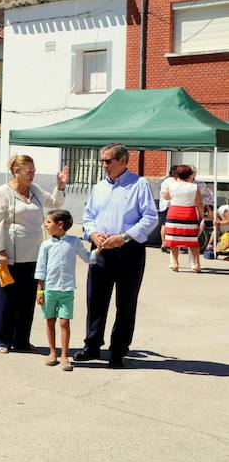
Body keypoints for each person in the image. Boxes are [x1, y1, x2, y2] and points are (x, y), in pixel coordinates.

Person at [76, 143, 158, 369]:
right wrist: (92, 232)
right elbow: (89, 216)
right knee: (96, 299)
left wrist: (124, 237)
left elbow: (150, 218)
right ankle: (92, 345)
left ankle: (118, 350)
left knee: (126, 302)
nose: (104, 165)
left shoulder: (139, 185)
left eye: (108, 161)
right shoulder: (99, 187)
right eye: (102, 160)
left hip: (128, 250)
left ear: (123, 161)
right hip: (101, 249)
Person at [0, 155, 68, 353]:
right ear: (16, 171)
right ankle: (1, 340)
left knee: (26, 301)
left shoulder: (35, 190)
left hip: (34, 256)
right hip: (9, 256)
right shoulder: (3, 193)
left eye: (34, 171)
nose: (32, 175)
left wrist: (60, 186)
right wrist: (0, 250)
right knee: (6, 300)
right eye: (28, 171)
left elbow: (55, 204)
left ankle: (22, 340)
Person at [35, 209, 97, 371]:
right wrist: (40, 290)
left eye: (49, 222)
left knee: (64, 322)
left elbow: (88, 258)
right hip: (49, 290)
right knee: (50, 320)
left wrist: (100, 247)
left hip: (67, 290)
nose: (46, 225)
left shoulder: (74, 242)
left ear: (60, 225)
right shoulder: (45, 245)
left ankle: (64, 355)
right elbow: (40, 269)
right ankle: (52, 352)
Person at [162, 164, 204, 273]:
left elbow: (166, 197)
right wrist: (202, 217)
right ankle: (196, 263)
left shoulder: (171, 185)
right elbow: (199, 204)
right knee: (193, 241)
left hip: (174, 213)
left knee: (174, 240)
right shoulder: (194, 187)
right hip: (189, 214)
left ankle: (175, 263)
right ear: (189, 175)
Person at [158, 165, 178, 252]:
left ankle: (163, 243)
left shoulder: (165, 180)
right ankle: (167, 243)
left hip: (163, 205)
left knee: (163, 225)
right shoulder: (174, 181)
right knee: (170, 225)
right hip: (170, 205)